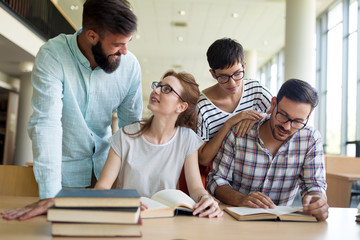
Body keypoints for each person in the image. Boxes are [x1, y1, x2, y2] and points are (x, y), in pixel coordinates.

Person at [1, 0, 142, 220]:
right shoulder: (53, 55)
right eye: (117, 44)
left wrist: (133, 188)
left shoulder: (130, 66)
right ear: (92, 36)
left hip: (108, 177)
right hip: (62, 177)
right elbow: (46, 123)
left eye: (128, 42)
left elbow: (131, 130)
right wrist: (50, 194)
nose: (125, 51)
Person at [95, 70, 223, 218]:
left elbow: (195, 189)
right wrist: (122, 201)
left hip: (165, 218)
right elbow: (101, 188)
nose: (155, 90)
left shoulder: (187, 139)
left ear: (181, 107)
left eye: (167, 89)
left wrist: (205, 199)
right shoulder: (125, 135)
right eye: (158, 86)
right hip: (128, 217)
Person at [207, 79, 329, 221]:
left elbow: (314, 185)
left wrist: (318, 201)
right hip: (235, 220)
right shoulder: (240, 133)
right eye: (283, 115)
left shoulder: (310, 139)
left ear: (307, 118)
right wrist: (241, 199)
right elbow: (216, 179)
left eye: (297, 121)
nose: (287, 127)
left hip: (281, 225)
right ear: (272, 104)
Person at [179, 38, 272, 194]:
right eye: (223, 77)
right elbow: (203, 158)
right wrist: (231, 123)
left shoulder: (256, 91)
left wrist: (255, 117)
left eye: (237, 74)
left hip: (253, 171)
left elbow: (276, 117)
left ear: (244, 66)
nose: (232, 83)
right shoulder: (202, 107)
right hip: (220, 178)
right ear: (213, 74)